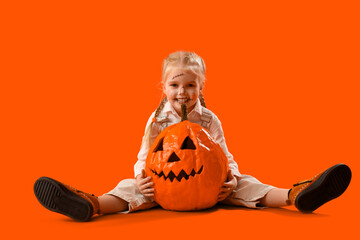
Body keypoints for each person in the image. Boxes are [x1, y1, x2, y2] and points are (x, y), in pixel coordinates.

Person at [34, 51, 352, 222]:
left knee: (248, 185)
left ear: (200, 87)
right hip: (161, 187)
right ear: (163, 88)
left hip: (212, 189)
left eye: (189, 86)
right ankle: (91, 204)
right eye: (174, 86)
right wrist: (142, 176)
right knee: (128, 189)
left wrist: (230, 177)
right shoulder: (156, 120)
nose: (182, 92)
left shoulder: (210, 119)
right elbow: (145, 155)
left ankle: (296, 195)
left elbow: (223, 153)